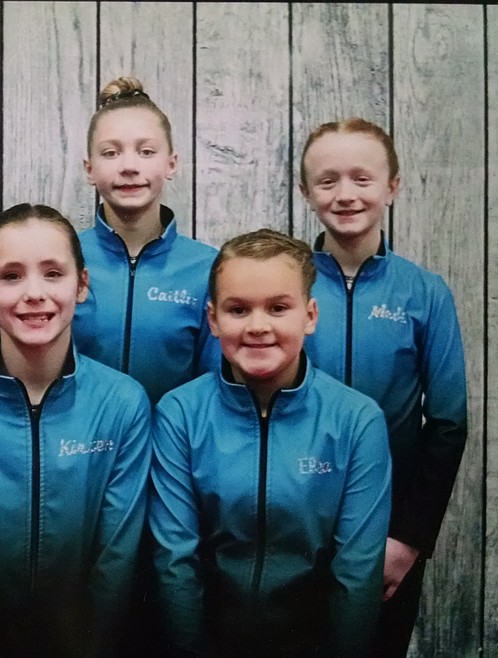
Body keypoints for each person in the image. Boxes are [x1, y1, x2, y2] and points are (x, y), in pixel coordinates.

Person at [0, 203, 152, 657]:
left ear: (81, 285)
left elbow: (115, 561)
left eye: (52, 273)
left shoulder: (123, 403)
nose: (34, 293)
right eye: (11, 276)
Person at [149, 229, 392, 656]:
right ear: (213, 319)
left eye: (279, 308)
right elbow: (174, 561)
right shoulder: (179, 415)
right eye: (238, 309)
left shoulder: (357, 421)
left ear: (310, 315)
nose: (258, 326)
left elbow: (356, 573)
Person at [297, 117, 468, 657]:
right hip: (289, 521)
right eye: (327, 181)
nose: (346, 194)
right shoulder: (282, 283)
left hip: (385, 529)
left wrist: (408, 539)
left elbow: (447, 424)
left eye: (362, 178)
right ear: (306, 193)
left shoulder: (425, 293)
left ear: (392, 186)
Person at [76, 75, 218, 404]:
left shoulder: (209, 268)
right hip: (79, 451)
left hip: (173, 450)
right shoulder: (61, 260)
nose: (129, 166)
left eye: (146, 151)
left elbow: (215, 388)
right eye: (110, 153)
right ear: (89, 169)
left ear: (171, 164)